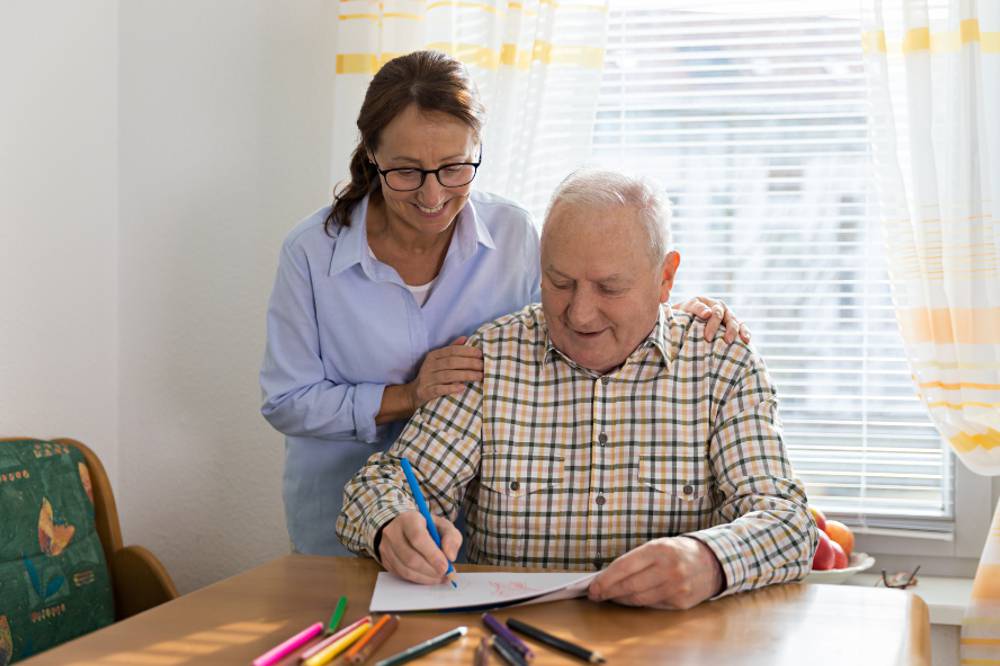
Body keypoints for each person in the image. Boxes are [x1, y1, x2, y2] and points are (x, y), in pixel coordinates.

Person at [261, 50, 749, 556]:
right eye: (406, 171)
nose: (432, 196)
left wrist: (663, 307)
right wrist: (409, 394)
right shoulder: (312, 252)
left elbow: (564, 324)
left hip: (468, 531)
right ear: (371, 156)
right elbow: (286, 400)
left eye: (454, 168)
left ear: (477, 149)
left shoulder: (512, 232)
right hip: (344, 522)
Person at [336, 169, 817, 609]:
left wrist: (709, 562)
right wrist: (391, 527)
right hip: (513, 641)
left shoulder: (722, 365)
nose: (580, 314)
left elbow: (789, 523)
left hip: (669, 646)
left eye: (610, 288)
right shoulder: (492, 358)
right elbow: (378, 488)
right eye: (560, 282)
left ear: (665, 277)